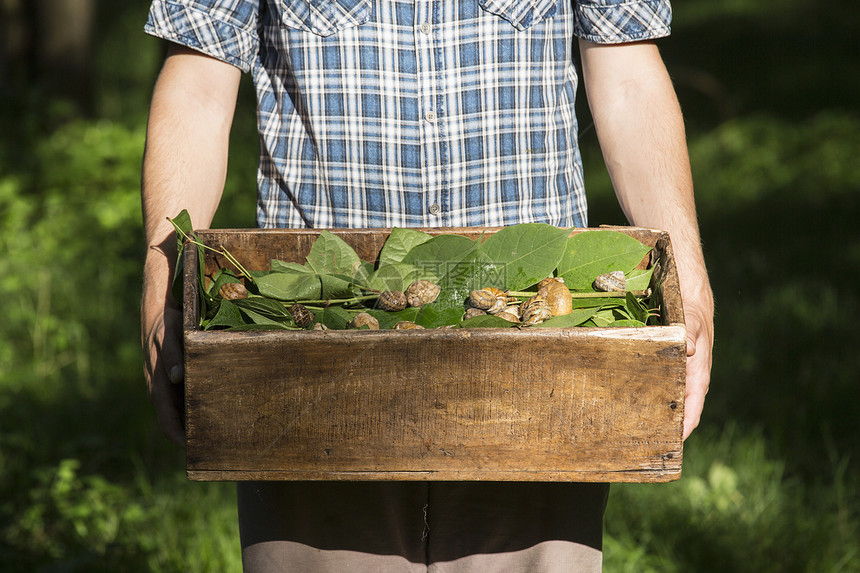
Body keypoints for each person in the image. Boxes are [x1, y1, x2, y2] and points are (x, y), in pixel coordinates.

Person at [140, 1, 714, 571]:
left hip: (537, 351)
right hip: (313, 350)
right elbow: (198, 84)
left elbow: (628, 77)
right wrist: (162, 280)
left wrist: (686, 280)